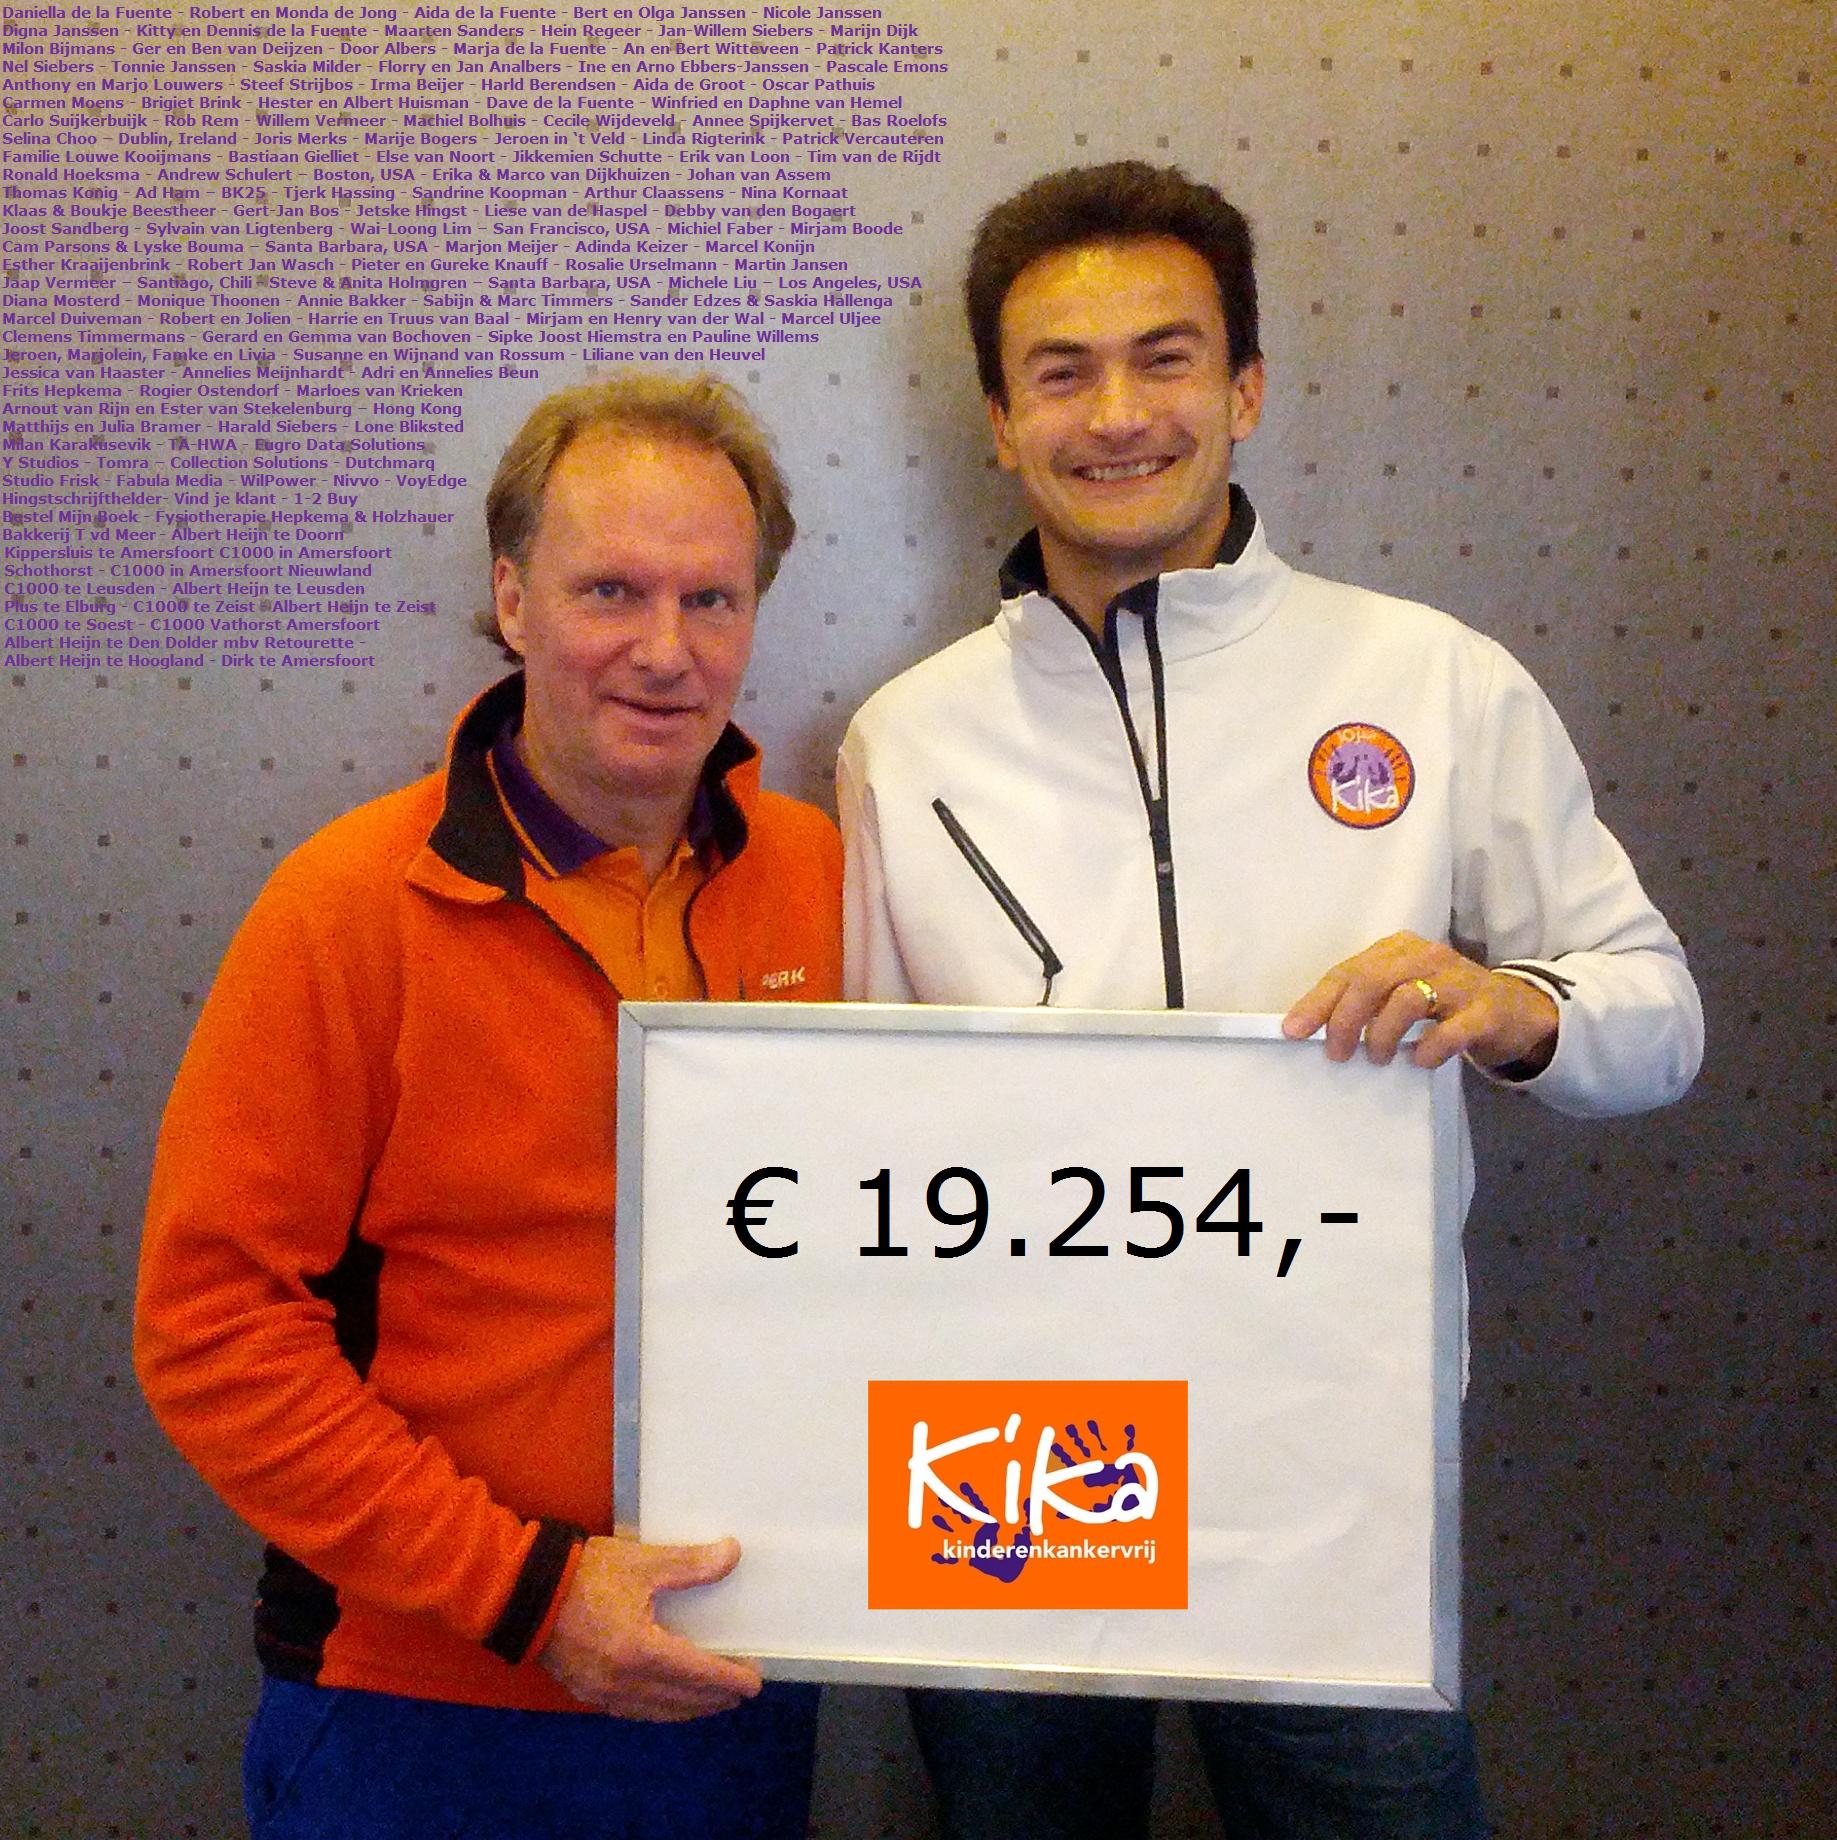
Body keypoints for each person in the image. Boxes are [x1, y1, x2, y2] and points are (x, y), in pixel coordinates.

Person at [839, 161, 1703, 1840]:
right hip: (1003, 1449)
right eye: (1060, 373)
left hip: (1325, 1441)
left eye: (1163, 359)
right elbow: (873, 1116)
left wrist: (1510, 1005)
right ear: (999, 425)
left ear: (1242, 387)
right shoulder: (906, 736)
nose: (1116, 415)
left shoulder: (1429, 679)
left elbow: (1657, 1019)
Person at [135, 373, 843, 1839]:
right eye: (610, 592)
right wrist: (529, 1595)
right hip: (417, 1703)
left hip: (732, 1679)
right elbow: (211, 1330)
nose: (665, 651)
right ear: (513, 599)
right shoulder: (348, 907)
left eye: (711, 600)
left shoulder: (828, 880)